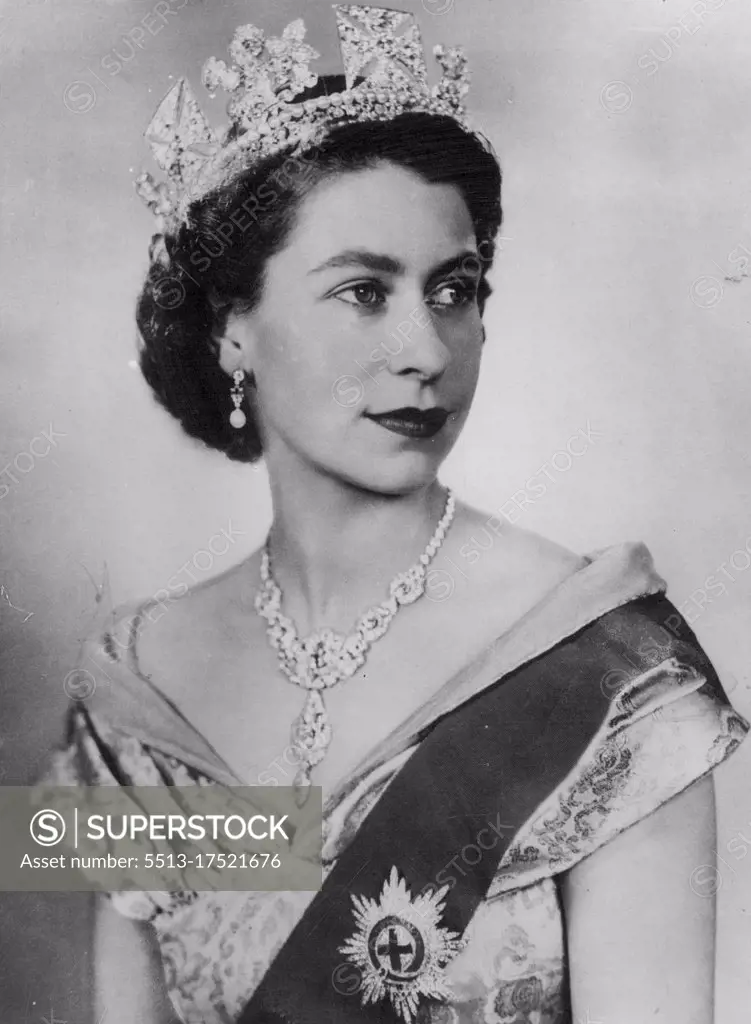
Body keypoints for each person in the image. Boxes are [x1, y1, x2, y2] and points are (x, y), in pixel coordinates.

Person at [44, 6, 748, 1024]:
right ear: (231, 327)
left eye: (455, 289)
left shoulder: (612, 674)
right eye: (363, 291)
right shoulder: (129, 689)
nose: (426, 348)